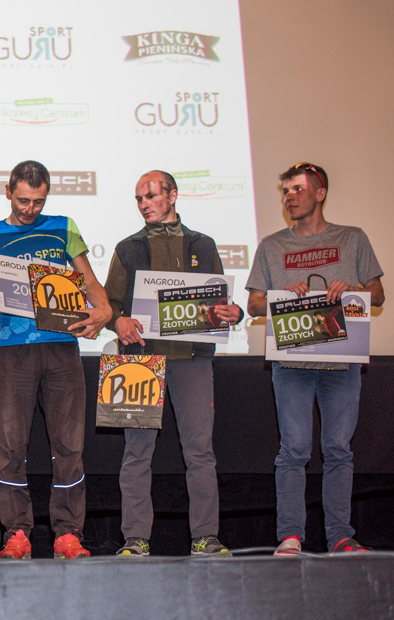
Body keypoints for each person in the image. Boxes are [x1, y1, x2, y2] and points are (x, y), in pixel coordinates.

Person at [0, 160, 112, 559]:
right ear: (8, 192)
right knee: (10, 446)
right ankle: (16, 531)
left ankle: (68, 533)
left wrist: (104, 311)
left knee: (69, 445)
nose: (30, 208)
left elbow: (88, 280)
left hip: (61, 346)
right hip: (11, 350)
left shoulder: (63, 227)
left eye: (38, 201)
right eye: (23, 200)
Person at [246, 162, 384, 555]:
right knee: (294, 450)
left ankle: (340, 536)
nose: (289, 197)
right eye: (285, 191)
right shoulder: (272, 245)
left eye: (297, 189)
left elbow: (378, 294)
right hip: (291, 363)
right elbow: (253, 304)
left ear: (320, 193)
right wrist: (279, 297)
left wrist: (352, 289)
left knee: (339, 450)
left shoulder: (352, 238)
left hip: (342, 361)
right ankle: (290, 536)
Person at [105, 170, 242, 556]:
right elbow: (109, 305)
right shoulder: (127, 248)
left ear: (173, 195)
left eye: (150, 196)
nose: (144, 204)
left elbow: (220, 302)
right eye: (138, 198)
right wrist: (118, 320)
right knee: (136, 453)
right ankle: (135, 538)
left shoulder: (204, 244)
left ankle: (206, 536)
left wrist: (234, 313)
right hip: (139, 363)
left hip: (192, 360)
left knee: (200, 452)